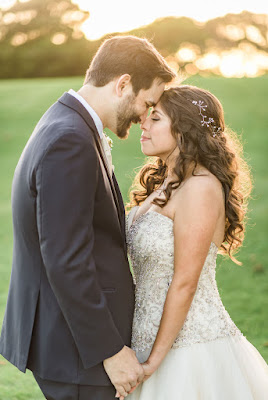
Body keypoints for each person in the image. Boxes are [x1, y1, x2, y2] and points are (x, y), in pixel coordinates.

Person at [0, 35, 175, 400]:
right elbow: (66, 259)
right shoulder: (70, 139)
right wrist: (109, 350)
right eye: (148, 102)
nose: (146, 115)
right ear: (123, 83)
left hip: (70, 343)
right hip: (77, 350)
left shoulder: (68, 123)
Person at [126, 85, 268, 399]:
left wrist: (154, 362)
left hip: (188, 348)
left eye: (156, 118)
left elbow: (185, 282)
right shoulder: (162, 183)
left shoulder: (201, 187)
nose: (144, 124)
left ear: (184, 131)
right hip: (143, 337)